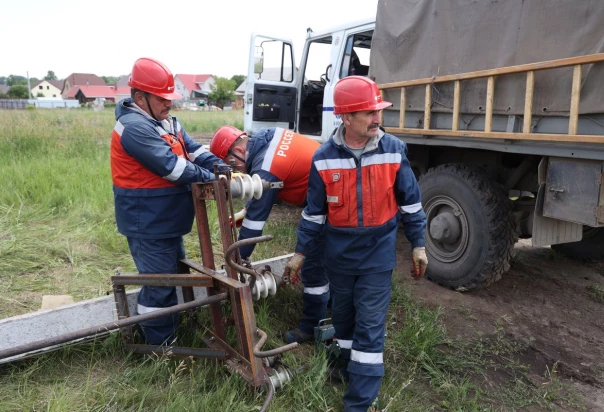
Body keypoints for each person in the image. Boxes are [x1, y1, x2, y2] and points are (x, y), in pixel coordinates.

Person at [284, 76, 428, 411]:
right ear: (346, 118)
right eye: (369, 112)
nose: (378, 118)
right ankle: (345, 370)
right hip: (340, 257)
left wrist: (418, 244)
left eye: (379, 110)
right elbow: (314, 214)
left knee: (369, 327)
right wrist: (300, 253)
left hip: (377, 255)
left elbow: (411, 203)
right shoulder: (322, 158)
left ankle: (358, 402)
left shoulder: (394, 149)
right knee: (345, 322)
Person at [110, 57, 226, 345]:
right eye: (162, 98)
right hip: (148, 222)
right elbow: (173, 168)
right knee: (160, 286)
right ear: (140, 97)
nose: (169, 103)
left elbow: (194, 151)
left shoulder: (166, 121)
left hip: (167, 220)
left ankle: (169, 331)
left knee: (172, 277)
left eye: (170, 97)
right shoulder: (134, 127)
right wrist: (211, 179)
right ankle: (159, 348)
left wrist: (220, 167)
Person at [210, 126, 328, 344]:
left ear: (238, 149)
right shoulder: (269, 137)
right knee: (331, 262)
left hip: (330, 207)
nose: (236, 170)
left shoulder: (267, 167)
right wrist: (246, 210)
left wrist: (235, 262)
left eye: (232, 163)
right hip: (332, 196)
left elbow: (255, 227)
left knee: (313, 268)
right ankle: (332, 309)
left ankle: (313, 326)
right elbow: (270, 184)